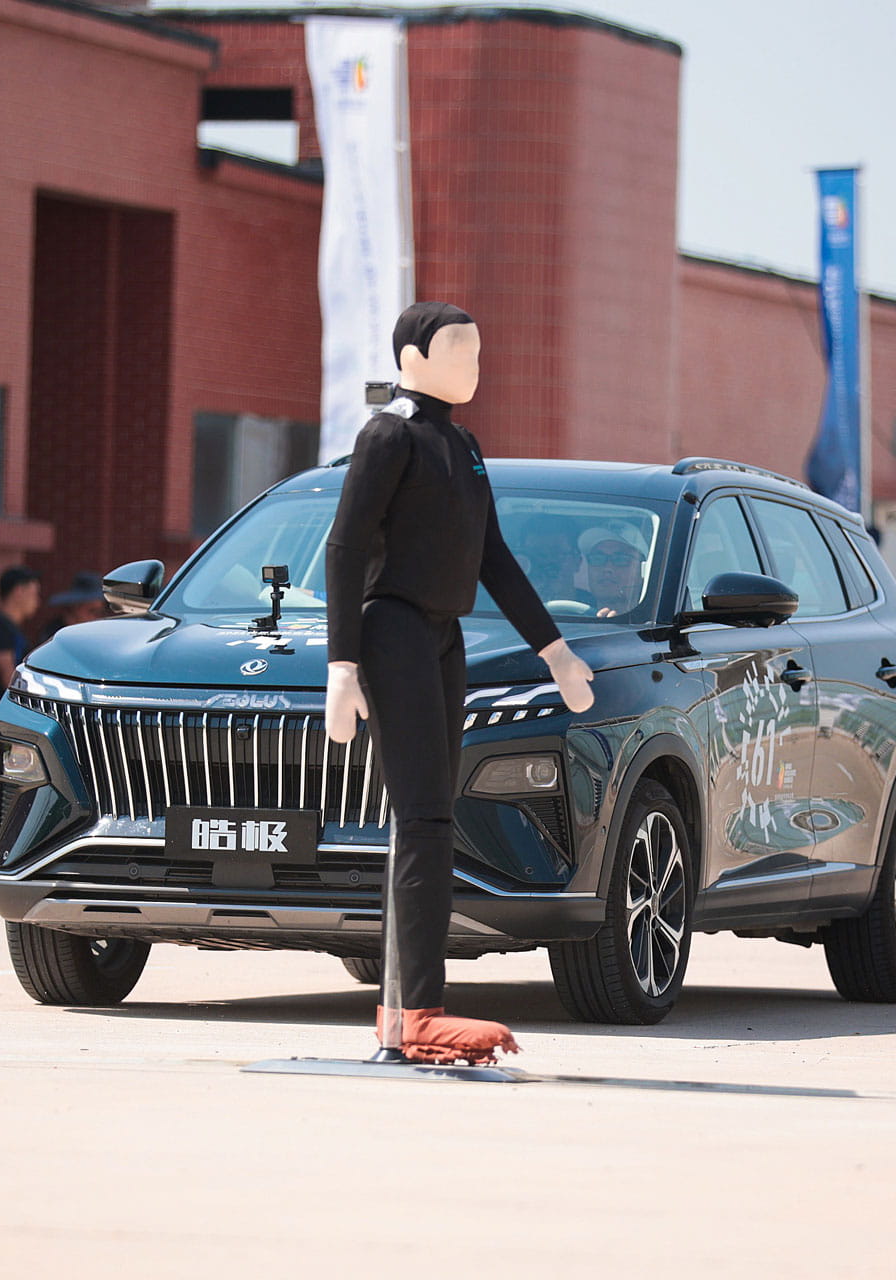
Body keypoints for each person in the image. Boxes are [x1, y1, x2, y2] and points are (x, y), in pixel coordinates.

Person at [324, 300, 595, 1065]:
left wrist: (555, 650)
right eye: (457, 351)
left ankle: (403, 1014)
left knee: (433, 820)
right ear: (412, 358)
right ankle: (415, 1016)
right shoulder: (388, 435)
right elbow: (345, 548)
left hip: (443, 637)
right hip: (394, 630)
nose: (473, 366)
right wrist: (343, 665)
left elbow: (492, 557)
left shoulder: (464, 445)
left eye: (477, 353)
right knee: (421, 821)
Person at [0, 565, 40, 697]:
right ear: (19, 592)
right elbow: (7, 676)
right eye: (33, 594)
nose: (37, 602)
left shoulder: (11, 628)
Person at [579, 523, 650, 617]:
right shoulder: (569, 619)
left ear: (643, 569)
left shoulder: (656, 622)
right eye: (597, 558)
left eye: (620, 559)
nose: (607, 568)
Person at [519, 516, 591, 607]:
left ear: (577, 561)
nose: (547, 563)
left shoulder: (597, 608)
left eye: (557, 553)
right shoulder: (506, 605)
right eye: (537, 554)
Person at [40, 571, 107, 641]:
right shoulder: (53, 639)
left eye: (101, 613)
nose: (98, 619)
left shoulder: (99, 637)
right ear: (70, 613)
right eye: (92, 611)